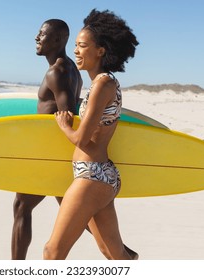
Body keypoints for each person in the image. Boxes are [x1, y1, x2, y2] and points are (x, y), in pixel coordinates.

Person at [43, 9, 139, 260]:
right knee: (113, 253)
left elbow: (81, 139)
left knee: (52, 252)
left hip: (93, 175)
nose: (76, 51)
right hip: (98, 175)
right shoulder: (101, 83)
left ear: (101, 51)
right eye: (75, 45)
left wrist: (64, 125)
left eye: (82, 45)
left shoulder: (103, 84)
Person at [11, 19, 83, 260]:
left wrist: (54, 159)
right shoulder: (70, 68)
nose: (36, 37)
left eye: (41, 34)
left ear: (58, 40)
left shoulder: (57, 72)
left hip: (51, 155)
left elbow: (68, 116)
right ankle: (123, 254)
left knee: (22, 206)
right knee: (78, 215)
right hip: (57, 155)